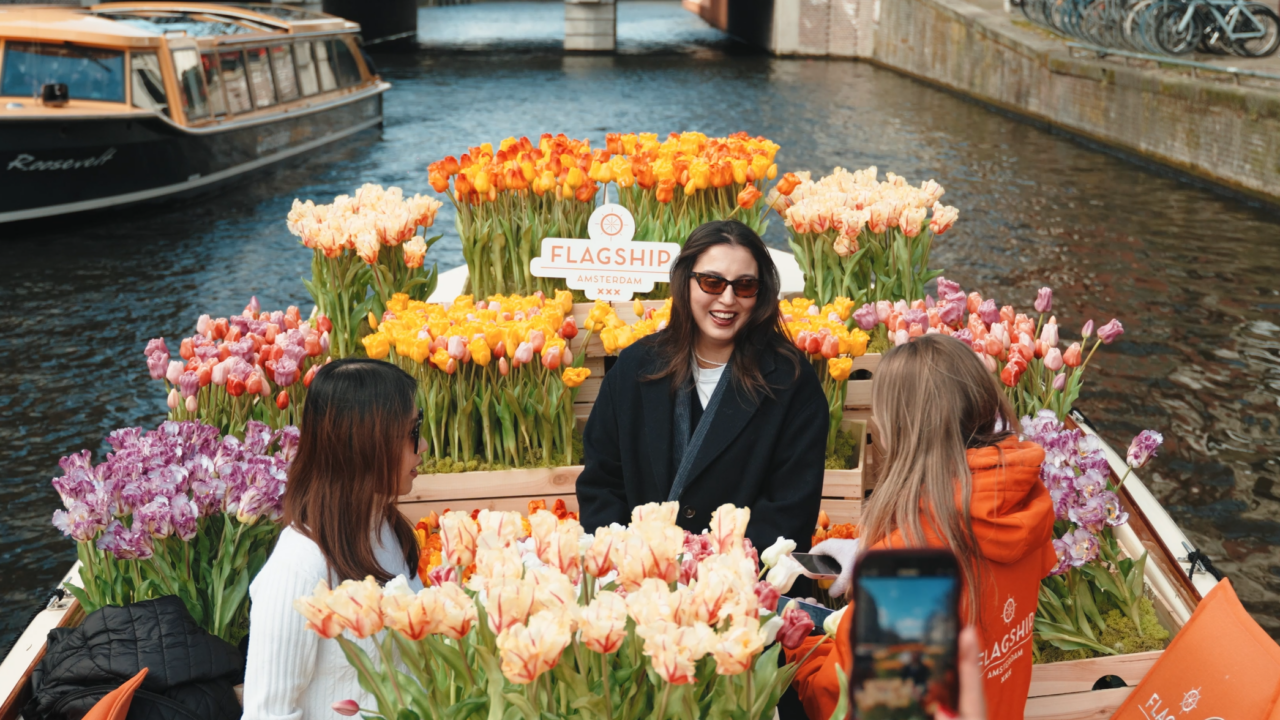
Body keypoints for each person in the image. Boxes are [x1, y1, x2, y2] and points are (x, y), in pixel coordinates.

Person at [786, 334, 1055, 720]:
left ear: (900, 429)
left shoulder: (904, 566)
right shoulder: (1024, 501)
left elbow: (841, 701)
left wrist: (802, 643)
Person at [576, 219, 827, 553]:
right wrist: (629, 560)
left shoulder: (790, 382)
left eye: (745, 286)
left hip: (739, 586)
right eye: (712, 282)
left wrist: (716, 568)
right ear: (686, 281)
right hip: (640, 579)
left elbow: (790, 508)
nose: (727, 299)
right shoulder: (636, 368)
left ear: (761, 291)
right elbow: (602, 482)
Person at [243, 359, 424, 720]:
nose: (423, 446)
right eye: (413, 431)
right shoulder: (298, 569)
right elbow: (268, 715)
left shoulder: (386, 530)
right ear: (366, 444)